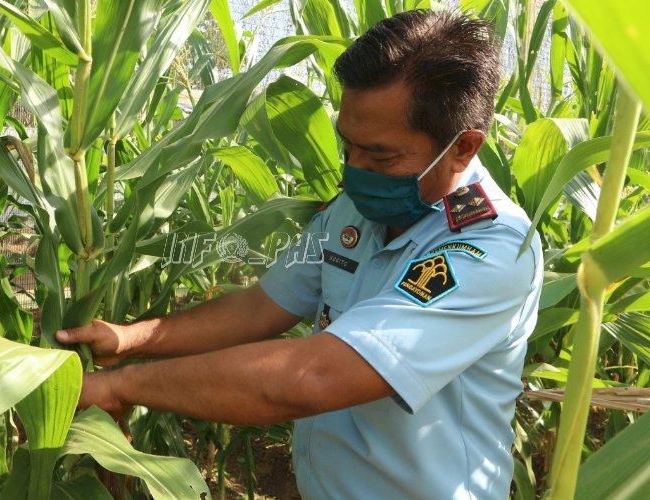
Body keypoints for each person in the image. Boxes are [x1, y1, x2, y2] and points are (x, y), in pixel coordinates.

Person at [57, 9, 543, 499]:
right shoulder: (352, 209)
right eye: (347, 146)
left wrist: (121, 387)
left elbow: (310, 378)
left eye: (380, 156)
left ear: (463, 148)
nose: (354, 171)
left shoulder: (491, 249)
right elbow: (259, 307)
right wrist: (129, 339)